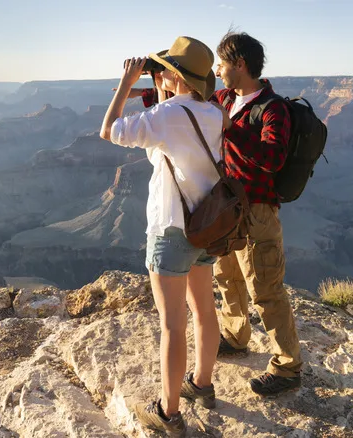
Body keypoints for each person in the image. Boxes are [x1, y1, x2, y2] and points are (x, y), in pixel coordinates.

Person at [100, 36, 222, 437]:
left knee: (172, 324)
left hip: (171, 229)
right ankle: (201, 384)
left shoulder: (168, 114)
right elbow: (172, 116)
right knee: (204, 310)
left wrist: (124, 84)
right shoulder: (212, 111)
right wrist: (151, 87)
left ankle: (168, 413)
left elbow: (110, 131)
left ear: (174, 75)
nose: (157, 74)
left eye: (162, 69)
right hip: (206, 225)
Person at [210, 31, 303, 396]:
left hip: (258, 213)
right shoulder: (223, 98)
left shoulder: (272, 108)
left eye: (221, 63)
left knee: (265, 289)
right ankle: (235, 335)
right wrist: (146, 92)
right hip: (226, 209)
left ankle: (287, 367)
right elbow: (189, 102)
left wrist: (231, 127)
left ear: (240, 64)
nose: (217, 70)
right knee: (227, 277)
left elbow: (272, 158)